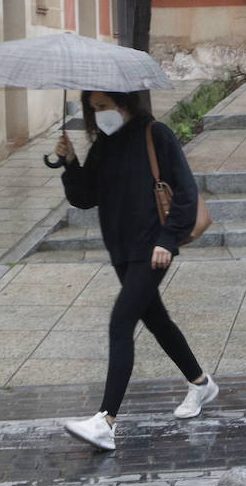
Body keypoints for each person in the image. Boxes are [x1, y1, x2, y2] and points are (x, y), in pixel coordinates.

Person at [56, 90, 217, 452]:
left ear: (123, 104)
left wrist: (166, 239)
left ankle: (105, 420)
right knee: (156, 318)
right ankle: (200, 382)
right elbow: (85, 197)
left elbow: (186, 192)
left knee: (121, 322)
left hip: (152, 249)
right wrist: (69, 162)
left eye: (103, 107)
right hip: (121, 250)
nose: (98, 115)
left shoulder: (156, 135)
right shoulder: (105, 144)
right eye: (92, 110)